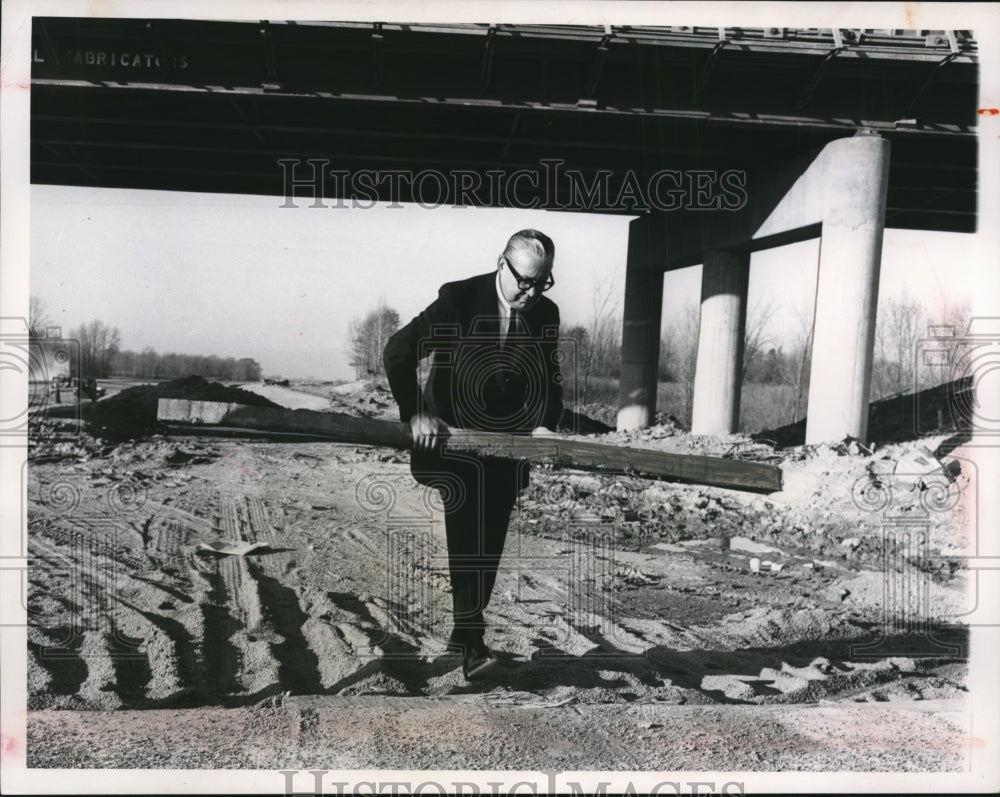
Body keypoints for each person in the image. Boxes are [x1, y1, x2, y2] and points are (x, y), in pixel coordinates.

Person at [383, 229, 563, 680]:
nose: (532, 292)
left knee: (491, 535)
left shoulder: (546, 313)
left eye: (542, 283)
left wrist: (545, 424)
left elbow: (550, 379)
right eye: (524, 281)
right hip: (450, 439)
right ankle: (472, 639)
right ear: (502, 264)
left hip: (506, 444)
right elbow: (399, 351)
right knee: (467, 526)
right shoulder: (459, 299)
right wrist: (416, 413)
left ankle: (465, 634)